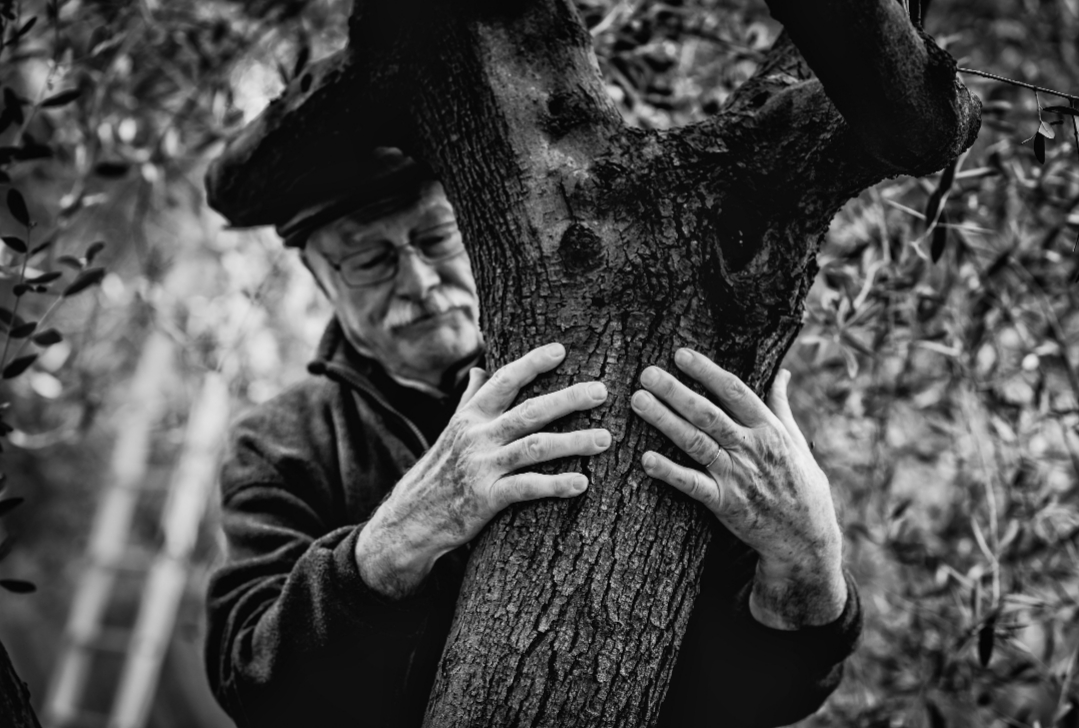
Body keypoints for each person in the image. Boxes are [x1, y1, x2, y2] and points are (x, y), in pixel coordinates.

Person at [204, 149, 862, 727]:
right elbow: (258, 690)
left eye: (435, 238)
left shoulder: (636, 381)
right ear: (322, 280)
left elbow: (767, 696)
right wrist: (399, 537)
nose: (420, 284)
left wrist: (807, 553)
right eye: (369, 261)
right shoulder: (279, 442)